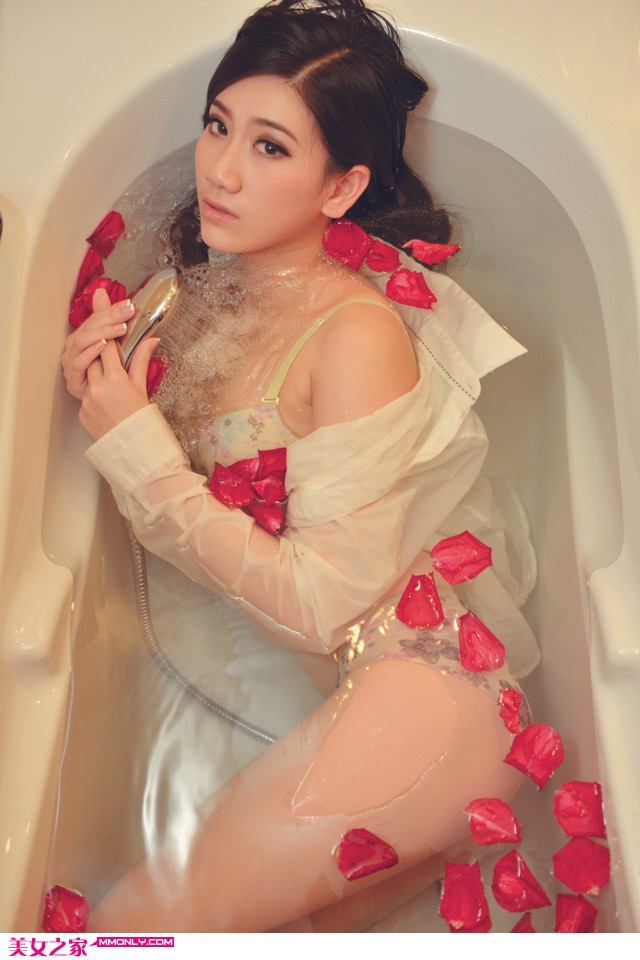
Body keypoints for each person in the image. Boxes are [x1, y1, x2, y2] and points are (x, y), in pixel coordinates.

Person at [60, 0, 538, 932]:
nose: (221, 171)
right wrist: (99, 381)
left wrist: (136, 450)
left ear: (341, 187)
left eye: (271, 147)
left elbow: (321, 604)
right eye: (217, 126)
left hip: (423, 692)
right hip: (348, 691)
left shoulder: (356, 335)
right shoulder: (205, 285)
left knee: (123, 935)